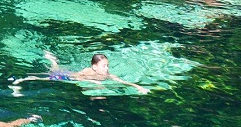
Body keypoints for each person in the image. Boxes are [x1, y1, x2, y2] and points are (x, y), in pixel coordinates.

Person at [12, 51, 149, 94]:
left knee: (54, 68)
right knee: (47, 76)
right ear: (94, 67)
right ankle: (20, 81)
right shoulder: (87, 71)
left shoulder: (107, 74)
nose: (106, 68)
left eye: (107, 65)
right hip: (66, 76)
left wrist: (139, 87)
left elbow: (122, 81)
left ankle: (53, 60)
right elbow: (81, 80)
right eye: (103, 66)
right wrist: (94, 82)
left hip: (74, 76)